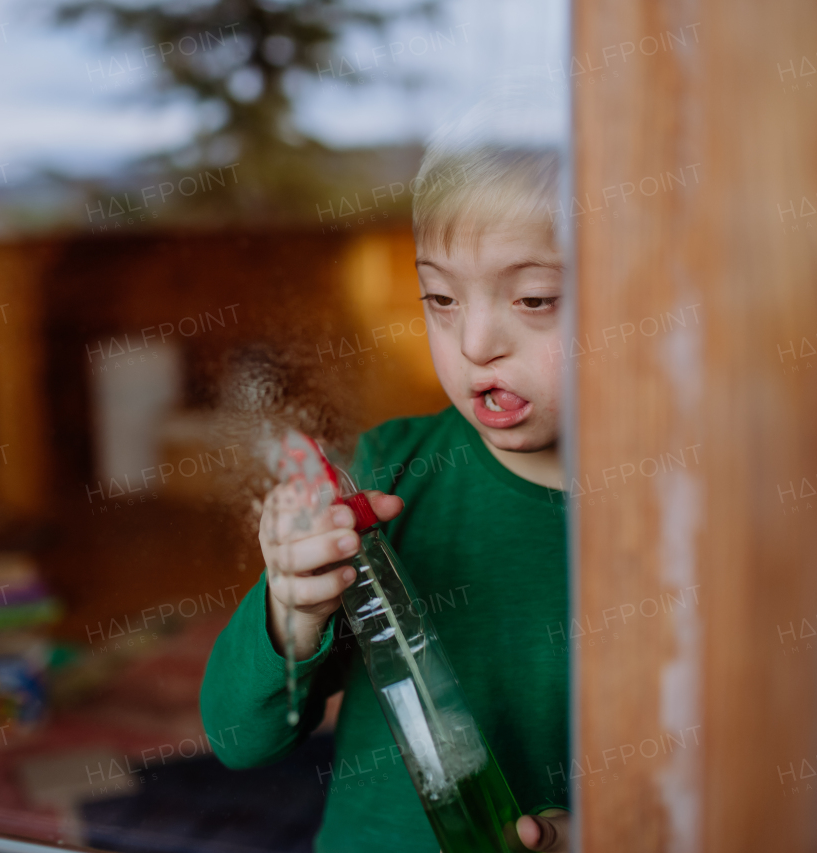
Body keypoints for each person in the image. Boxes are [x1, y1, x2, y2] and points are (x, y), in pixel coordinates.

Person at [201, 124, 570, 852]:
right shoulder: (390, 470)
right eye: (440, 298)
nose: (474, 344)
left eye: (534, 299)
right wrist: (290, 610)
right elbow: (240, 738)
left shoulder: (683, 512)